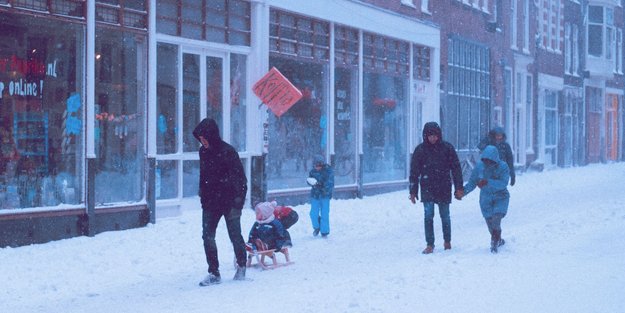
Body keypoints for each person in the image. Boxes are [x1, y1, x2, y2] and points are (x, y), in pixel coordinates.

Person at [193, 118, 248, 286]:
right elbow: (204, 176)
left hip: (230, 201)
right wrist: (203, 195)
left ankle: (241, 266)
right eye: (200, 139)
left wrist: (238, 201)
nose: (202, 142)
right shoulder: (203, 152)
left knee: (235, 235)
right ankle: (214, 272)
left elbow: (241, 179)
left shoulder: (228, 152)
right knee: (207, 236)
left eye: (204, 138)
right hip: (210, 202)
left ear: (212, 136)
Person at [409, 122, 464, 254]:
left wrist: (459, 187)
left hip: (444, 186)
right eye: (430, 136)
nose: (433, 138)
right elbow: (414, 172)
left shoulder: (447, 149)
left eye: (435, 135)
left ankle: (447, 242)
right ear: (425, 136)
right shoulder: (420, 150)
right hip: (427, 187)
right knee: (428, 216)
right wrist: (413, 190)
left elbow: (456, 169)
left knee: (445, 216)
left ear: (439, 135)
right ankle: (430, 244)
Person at [462, 145, 510, 253]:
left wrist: (488, 182)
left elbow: (503, 183)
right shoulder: (479, 167)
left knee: (496, 220)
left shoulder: (503, 167)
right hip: (485, 199)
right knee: (490, 225)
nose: (488, 163)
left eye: (490, 161)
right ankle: (498, 239)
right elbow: (472, 182)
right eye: (486, 160)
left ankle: (494, 243)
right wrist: (463, 192)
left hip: (500, 197)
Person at [307, 154, 334, 238]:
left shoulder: (328, 171)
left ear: (322, 164)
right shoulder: (312, 171)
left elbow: (330, 183)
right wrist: (310, 182)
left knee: (324, 213)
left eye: (318, 165)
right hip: (315, 195)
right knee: (313, 213)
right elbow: (310, 180)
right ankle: (317, 227)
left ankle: (324, 231)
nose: (316, 167)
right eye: (315, 165)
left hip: (325, 196)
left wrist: (320, 186)